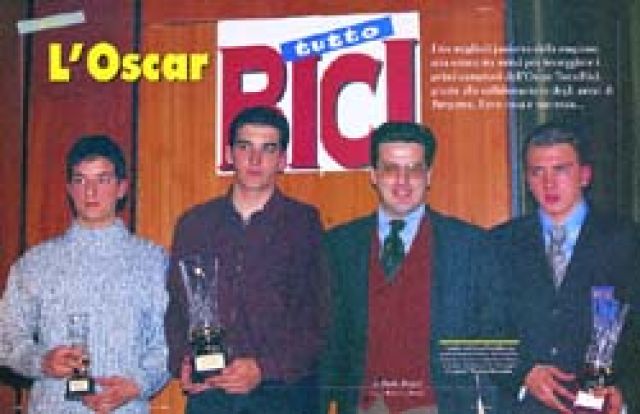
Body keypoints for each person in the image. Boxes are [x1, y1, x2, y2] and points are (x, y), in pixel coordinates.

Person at [320, 121, 498, 414]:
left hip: (439, 406)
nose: (402, 181)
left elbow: (489, 334)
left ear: (429, 176)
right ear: (373, 175)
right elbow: (328, 340)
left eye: (414, 169)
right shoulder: (339, 245)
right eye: (391, 169)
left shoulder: (470, 245)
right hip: (366, 406)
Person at [165, 106, 328, 414]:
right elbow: (176, 308)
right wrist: (183, 361)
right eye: (245, 147)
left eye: (268, 149)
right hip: (211, 396)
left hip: (283, 396)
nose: (255, 160)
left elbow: (319, 318)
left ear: (282, 160)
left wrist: (264, 368)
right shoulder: (195, 224)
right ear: (230, 154)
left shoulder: (303, 224)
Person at [0, 135, 170, 413]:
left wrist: (138, 384)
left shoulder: (154, 261)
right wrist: (42, 361)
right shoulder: (35, 264)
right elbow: (6, 338)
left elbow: (168, 342)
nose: (90, 192)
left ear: (122, 188)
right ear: (69, 189)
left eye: (102, 180)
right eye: (80, 180)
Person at [490, 122, 640, 414]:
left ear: (584, 175)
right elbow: (480, 331)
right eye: (537, 172)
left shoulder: (628, 241)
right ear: (527, 179)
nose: (549, 184)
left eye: (560, 170)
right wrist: (522, 373)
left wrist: (627, 393)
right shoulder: (498, 244)